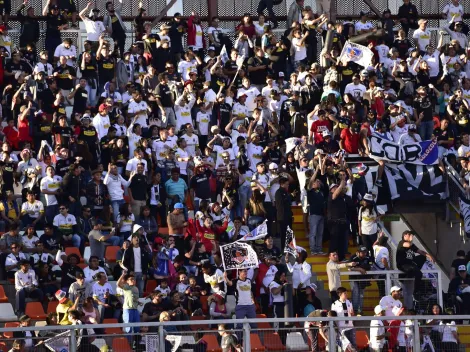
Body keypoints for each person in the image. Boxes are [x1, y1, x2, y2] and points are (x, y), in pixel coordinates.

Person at [396, 230, 434, 300]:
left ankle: (415, 271)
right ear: (405, 236)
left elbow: (420, 251)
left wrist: (429, 256)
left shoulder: (411, 244)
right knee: (419, 274)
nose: (411, 237)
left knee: (422, 257)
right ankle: (416, 292)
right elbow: (408, 245)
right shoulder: (401, 243)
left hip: (411, 263)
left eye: (411, 235)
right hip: (404, 264)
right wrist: (410, 240)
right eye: (409, 235)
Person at [117, 271, 140, 345]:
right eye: (131, 279)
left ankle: (136, 345)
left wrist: (138, 302)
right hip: (128, 309)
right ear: (127, 281)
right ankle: (128, 345)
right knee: (128, 328)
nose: (133, 280)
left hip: (135, 309)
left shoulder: (136, 288)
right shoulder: (127, 287)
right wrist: (123, 274)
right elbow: (118, 284)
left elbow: (134, 299)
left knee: (137, 328)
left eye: (134, 279)